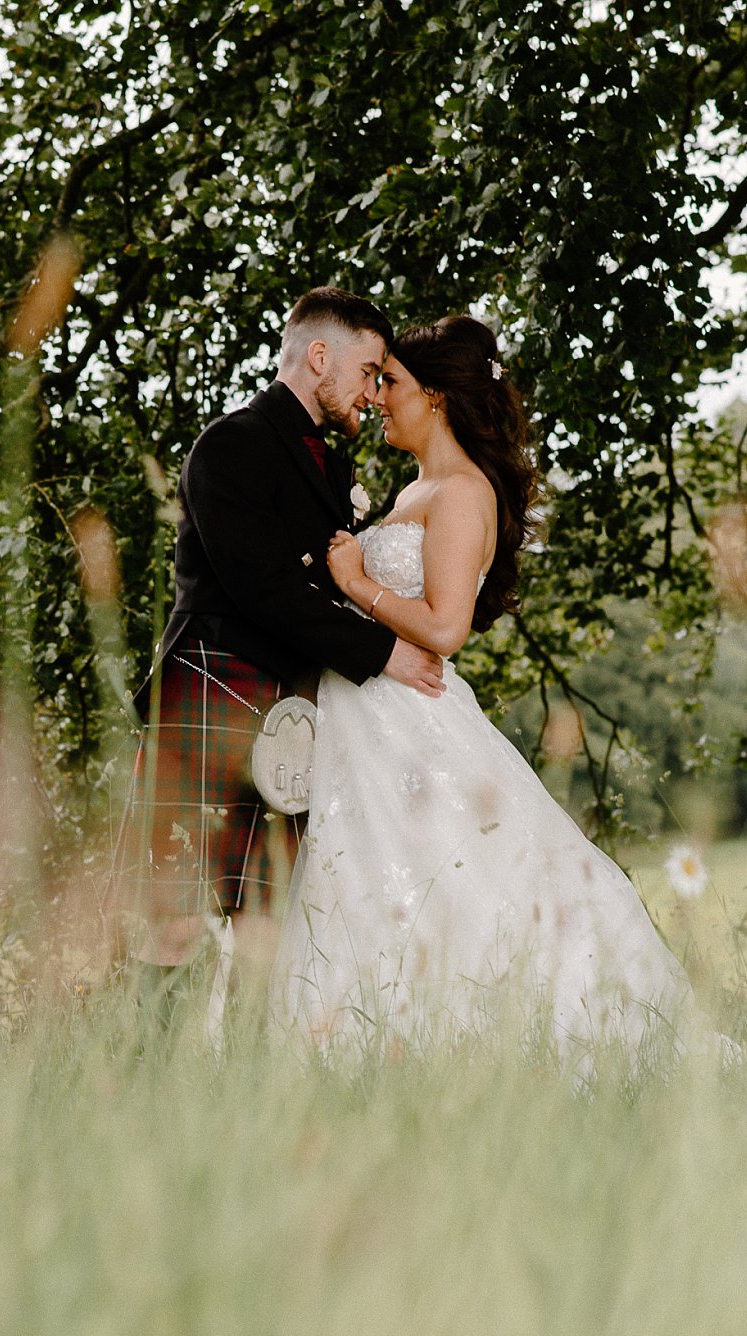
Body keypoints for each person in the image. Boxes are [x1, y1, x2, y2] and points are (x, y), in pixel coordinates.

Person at [272, 316, 705, 1064]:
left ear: (436, 397)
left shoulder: (463, 492)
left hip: (411, 716)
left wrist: (353, 584)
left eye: (392, 382)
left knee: (456, 883)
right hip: (367, 722)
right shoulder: (417, 489)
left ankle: (478, 1045)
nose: (378, 398)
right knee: (372, 884)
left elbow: (445, 628)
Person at [131, 288, 447, 1022]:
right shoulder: (231, 444)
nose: (373, 392)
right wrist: (383, 652)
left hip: (296, 713)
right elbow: (262, 586)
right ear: (317, 357)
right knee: (174, 917)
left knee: (265, 924)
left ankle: (240, 1088)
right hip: (213, 690)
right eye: (368, 371)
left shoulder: (333, 469)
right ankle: (138, 1084)